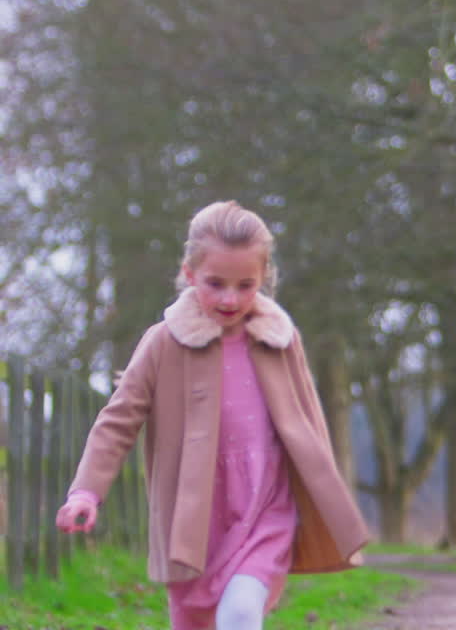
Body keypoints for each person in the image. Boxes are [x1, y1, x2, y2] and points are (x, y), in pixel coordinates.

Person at [55, 200, 370, 630]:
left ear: (263, 279)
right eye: (215, 283)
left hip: (266, 507)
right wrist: (86, 493)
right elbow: (118, 420)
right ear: (189, 274)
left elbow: (308, 420)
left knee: (240, 614)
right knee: (196, 622)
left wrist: (320, 495)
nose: (230, 298)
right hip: (195, 516)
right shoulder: (164, 342)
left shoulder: (279, 339)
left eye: (246, 285)